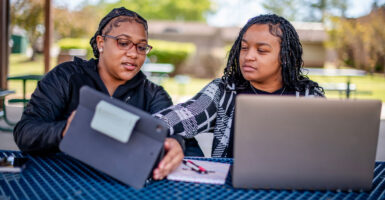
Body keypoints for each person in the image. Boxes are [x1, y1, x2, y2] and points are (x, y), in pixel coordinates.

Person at [13, 7, 183, 180]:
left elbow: (174, 134)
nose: (134, 54)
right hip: (61, 179)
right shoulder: (65, 78)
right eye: (123, 43)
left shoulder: (154, 95)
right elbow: (25, 132)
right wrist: (64, 130)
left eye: (141, 47)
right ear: (101, 43)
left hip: (123, 188)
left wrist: (177, 144)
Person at [154, 14, 324, 158]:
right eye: (244, 48)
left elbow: (327, 149)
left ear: (285, 57)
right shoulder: (224, 91)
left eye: (262, 50)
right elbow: (180, 117)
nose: (248, 56)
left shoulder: (309, 96)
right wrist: (154, 129)